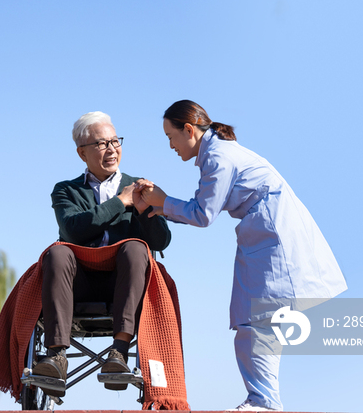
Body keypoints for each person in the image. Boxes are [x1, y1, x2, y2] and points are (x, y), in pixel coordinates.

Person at [136, 100, 347, 412]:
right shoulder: (216, 153)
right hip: (261, 233)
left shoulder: (219, 156)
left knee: (258, 320)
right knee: (252, 319)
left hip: (273, 235)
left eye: (170, 136)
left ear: (189, 130)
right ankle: (263, 399)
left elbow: (203, 213)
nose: (170, 145)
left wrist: (163, 200)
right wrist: (159, 205)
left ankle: (264, 401)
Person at [33, 111, 173, 396]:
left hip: (124, 283)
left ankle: (119, 353)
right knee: (57, 253)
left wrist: (144, 207)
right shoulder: (66, 190)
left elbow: (163, 240)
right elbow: (73, 231)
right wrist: (121, 203)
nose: (111, 149)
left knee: (136, 247)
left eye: (115, 141)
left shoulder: (140, 186)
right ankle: (57, 355)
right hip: (77, 284)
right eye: (101, 144)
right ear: (82, 153)